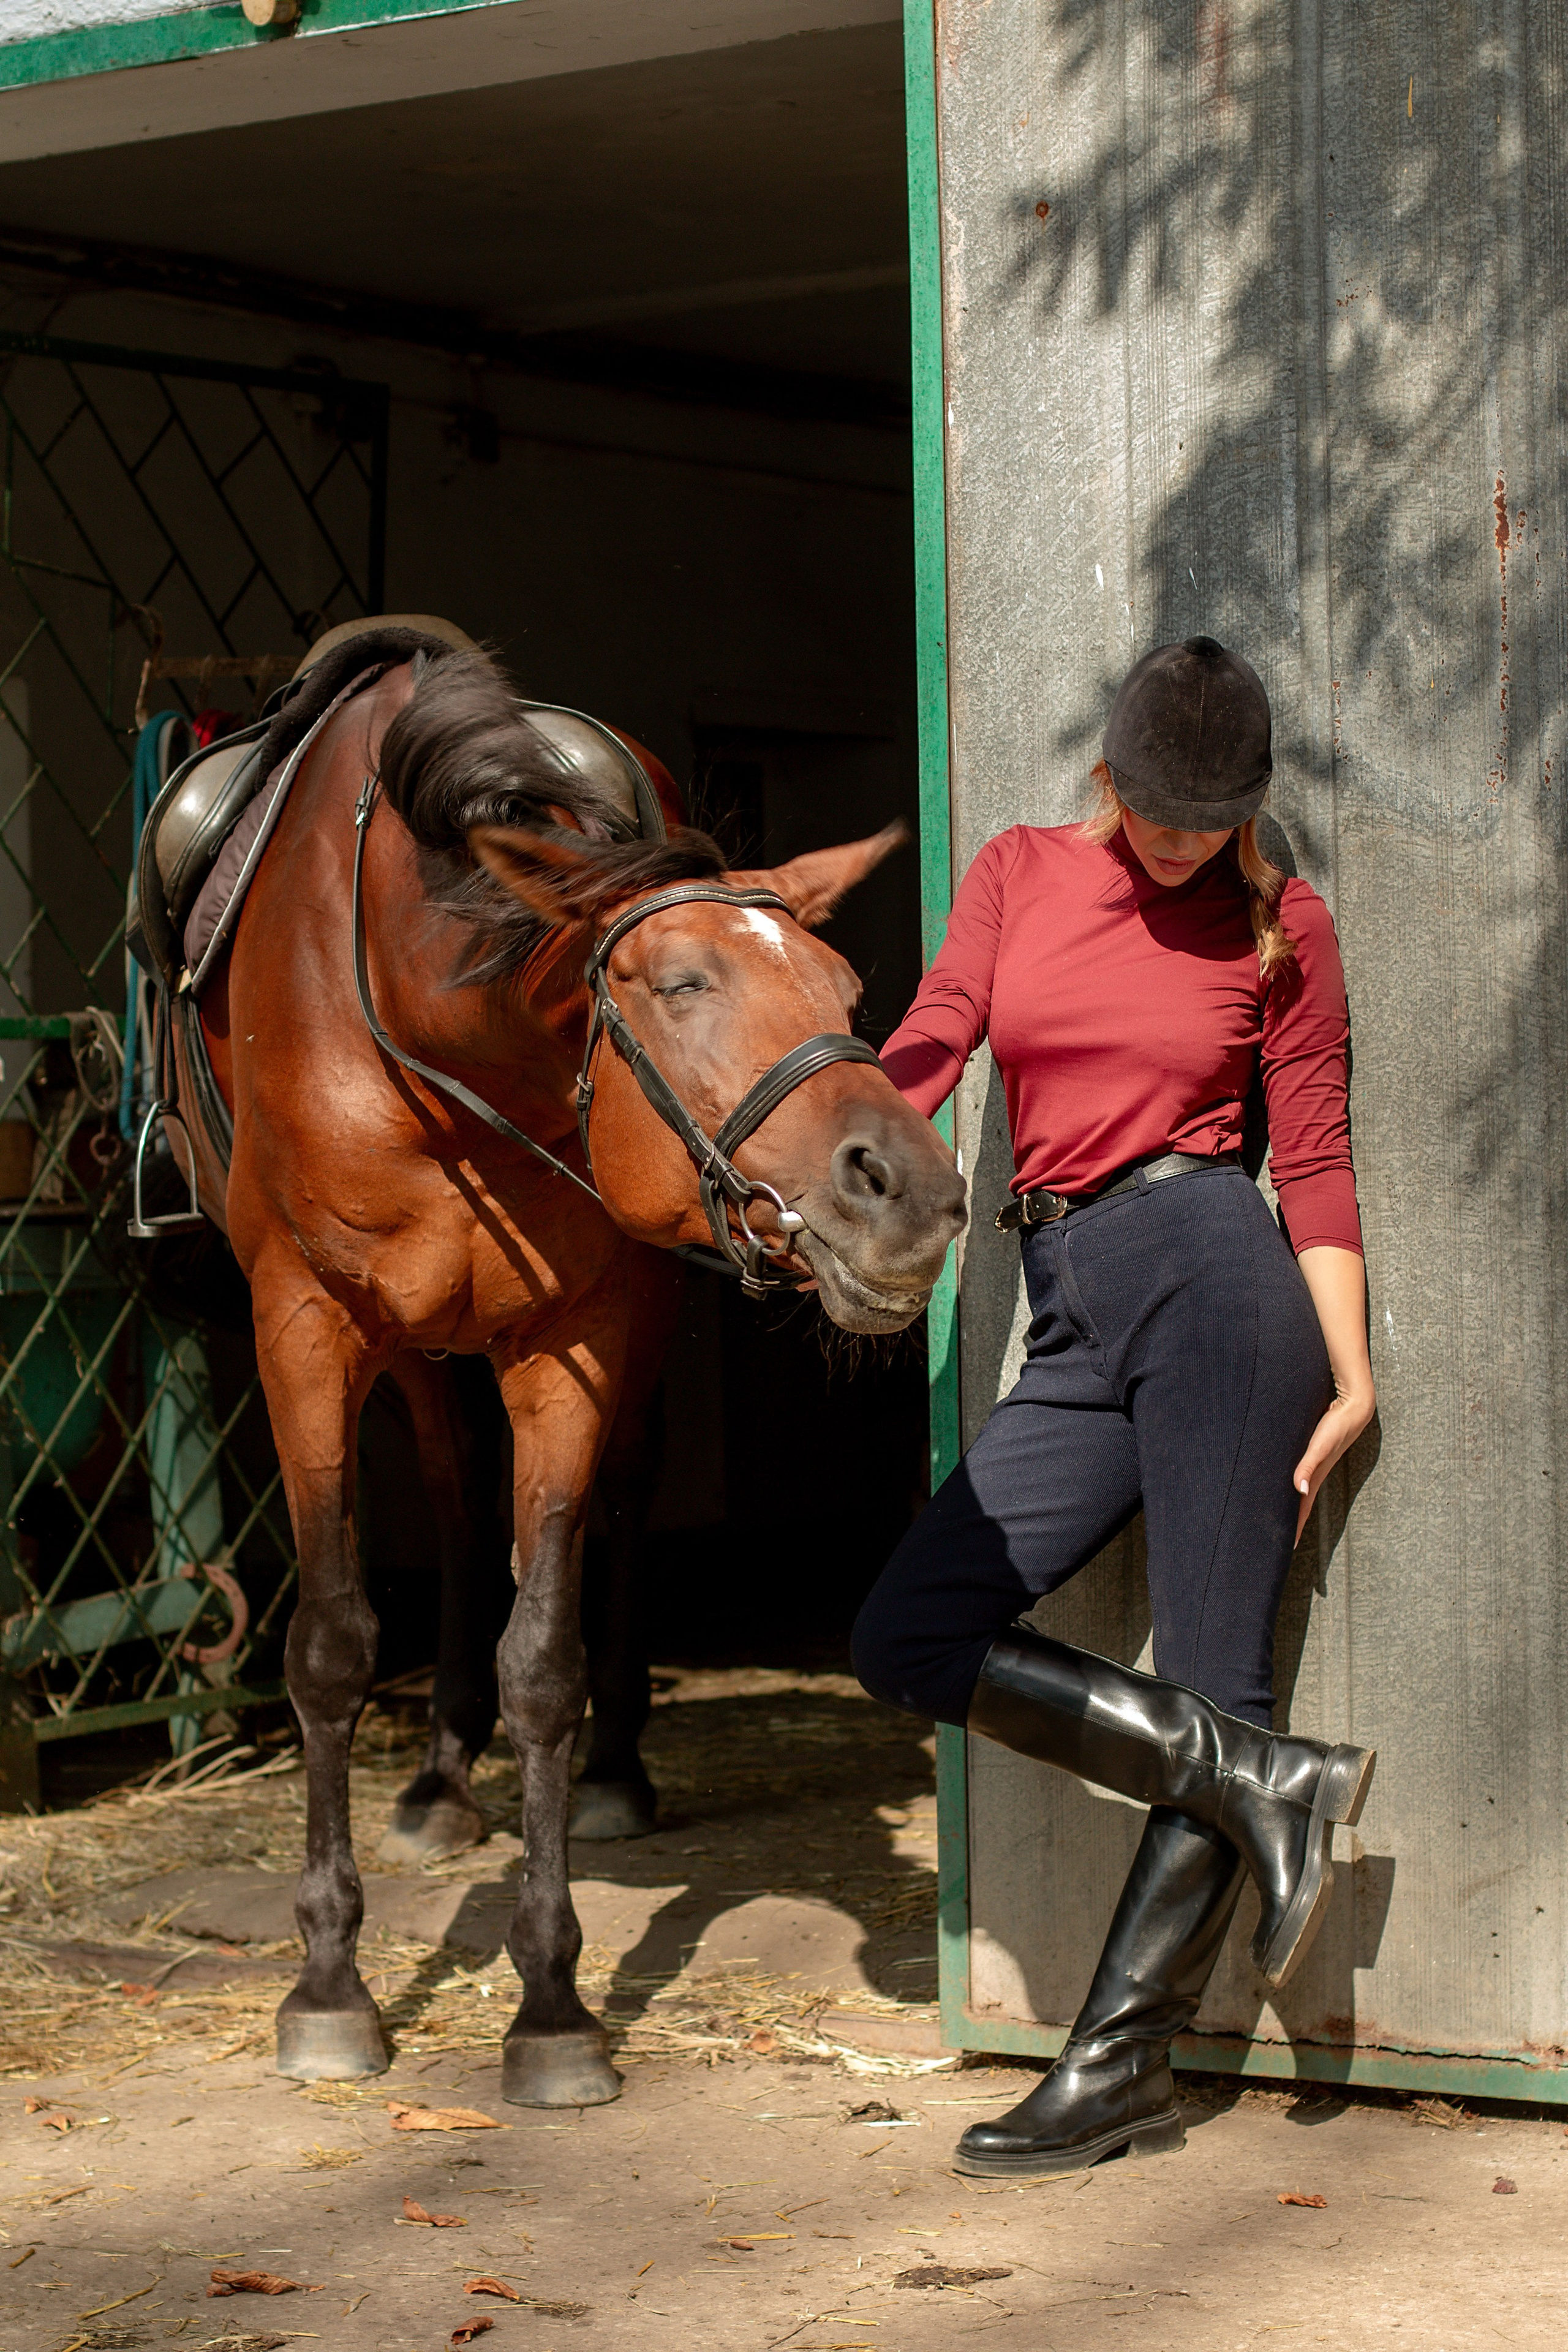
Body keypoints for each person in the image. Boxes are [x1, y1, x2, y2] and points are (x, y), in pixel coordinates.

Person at [851, 636, 1377, 2179]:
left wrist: (1349, 1367)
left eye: (1208, 817)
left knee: (1221, 1672)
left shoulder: (1283, 925)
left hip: (1216, 1275)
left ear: (1249, 806)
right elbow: (940, 1028)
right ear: (1106, 774)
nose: (1175, 839)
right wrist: (846, 1143)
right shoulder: (1018, 871)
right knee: (906, 1634)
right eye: (1153, 807)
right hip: (1069, 1298)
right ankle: (1265, 1786)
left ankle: (1114, 2069)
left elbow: (1319, 1154)